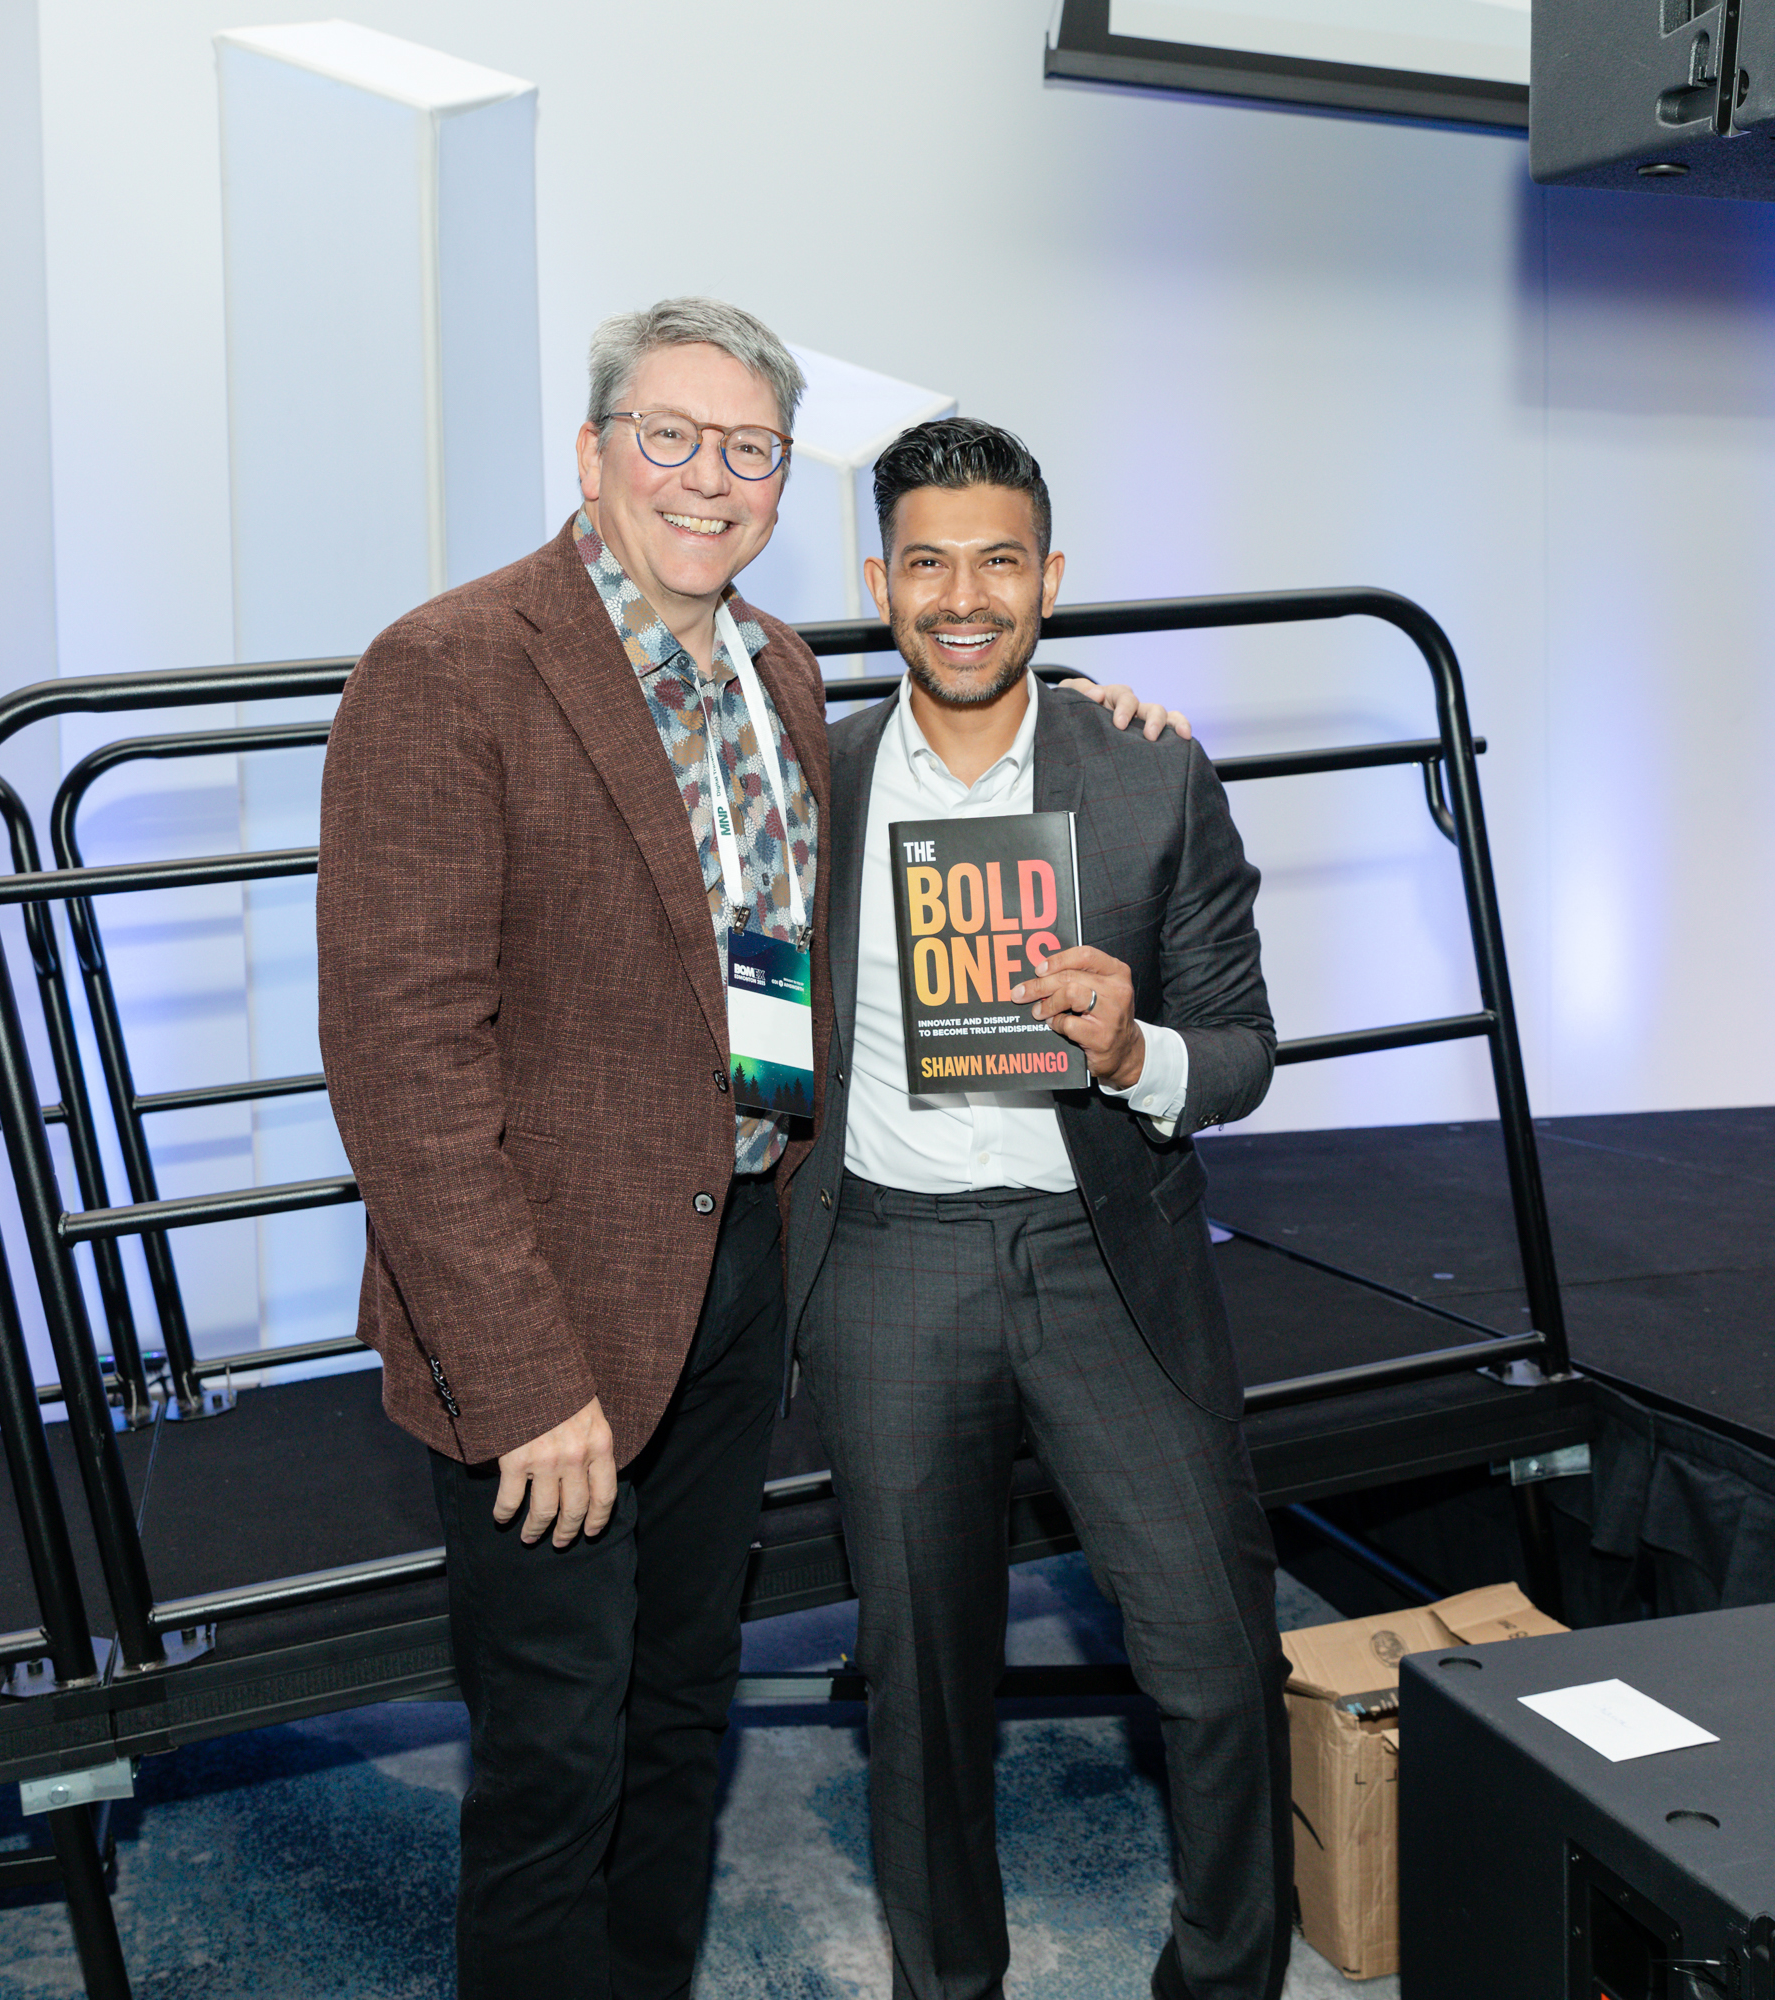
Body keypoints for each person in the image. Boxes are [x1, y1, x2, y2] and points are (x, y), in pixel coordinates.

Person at [317, 302, 1157, 2000]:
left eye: (750, 450)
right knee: (553, 1754)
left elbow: (845, 900)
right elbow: (402, 1065)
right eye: (671, 437)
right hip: (544, 1320)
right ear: (592, 454)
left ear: (784, 483)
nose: (710, 479)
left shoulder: (776, 666)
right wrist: (519, 1375)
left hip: (737, 1263)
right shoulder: (451, 669)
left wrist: (1091, 728)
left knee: (682, 1709)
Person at [785, 417, 1290, 2000]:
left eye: (999, 560)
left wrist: (1135, 1046)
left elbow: (1246, 1054)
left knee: (1216, 1664)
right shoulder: (813, 777)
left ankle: (1223, 1983)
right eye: (926, 561)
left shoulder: (1146, 772)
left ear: (1051, 581)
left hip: (1104, 1261)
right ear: (878, 582)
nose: (962, 595)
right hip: (887, 1262)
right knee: (922, 1692)